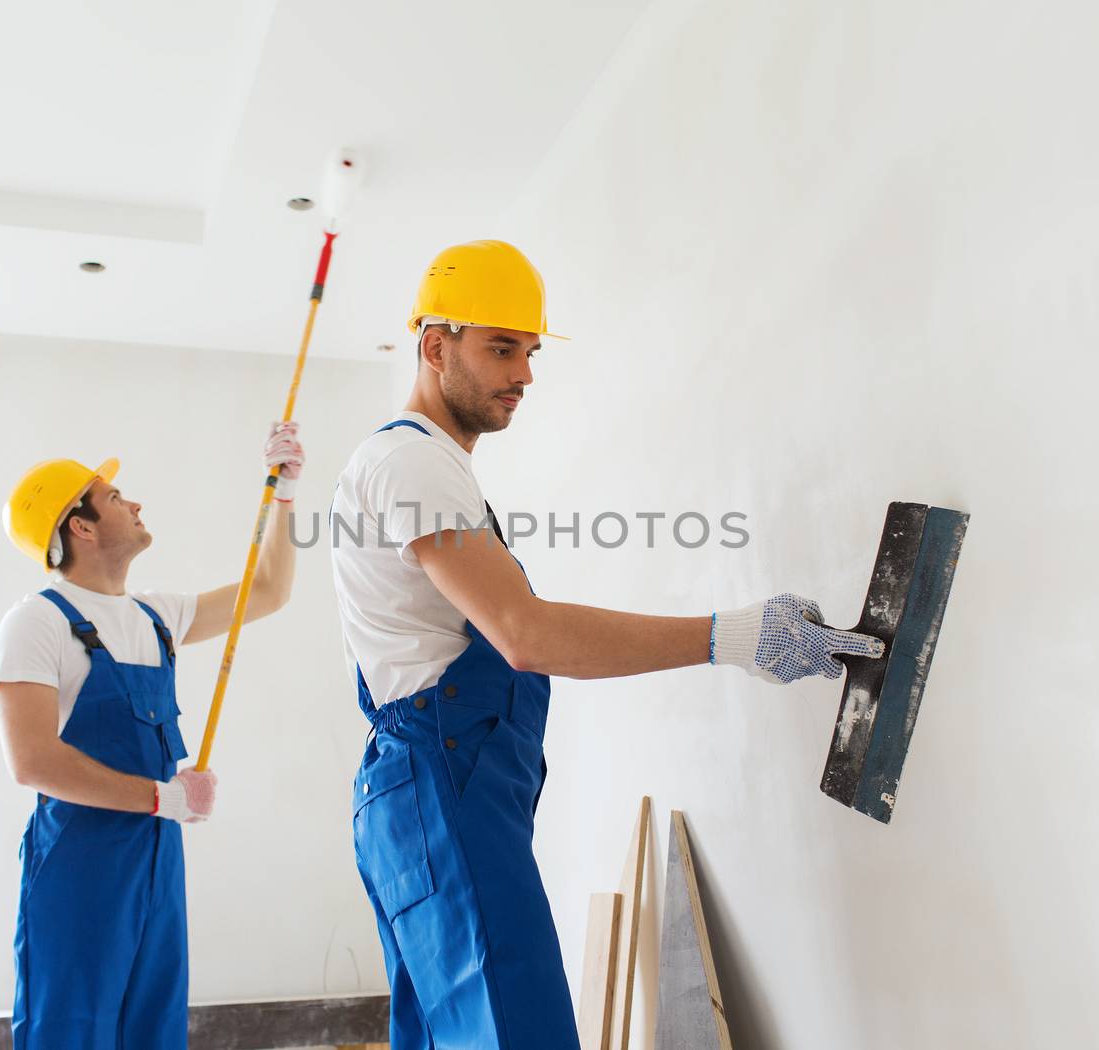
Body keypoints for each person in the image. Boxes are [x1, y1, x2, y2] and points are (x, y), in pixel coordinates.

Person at [330, 241, 885, 1049]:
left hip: (422, 787)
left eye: (529, 351)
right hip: (438, 777)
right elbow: (525, 634)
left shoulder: (414, 465)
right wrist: (732, 637)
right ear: (434, 346)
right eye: (500, 347)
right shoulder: (414, 462)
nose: (523, 374)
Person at [0, 423, 305, 1049]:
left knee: (154, 1032)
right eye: (113, 498)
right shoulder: (36, 622)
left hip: (158, 864)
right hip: (79, 866)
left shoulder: (156, 617)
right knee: (70, 1033)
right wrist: (162, 798)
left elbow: (267, 591)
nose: (133, 504)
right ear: (78, 526)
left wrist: (285, 494)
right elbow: (31, 761)